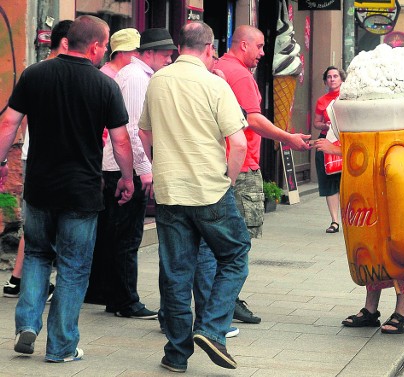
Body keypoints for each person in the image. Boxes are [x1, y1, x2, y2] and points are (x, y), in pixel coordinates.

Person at [0, 15, 134, 362]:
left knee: (36, 255)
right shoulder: (105, 85)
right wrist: (127, 178)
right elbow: (120, 142)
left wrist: (0, 163)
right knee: (73, 267)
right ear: (95, 46)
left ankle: (27, 324)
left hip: (40, 188)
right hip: (82, 191)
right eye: (105, 45)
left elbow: (9, 122)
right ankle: (60, 347)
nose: (105, 51)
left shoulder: (35, 74)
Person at [138, 21, 250, 372]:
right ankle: (212, 329)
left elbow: (142, 133)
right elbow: (240, 144)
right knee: (235, 254)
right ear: (207, 49)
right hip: (209, 190)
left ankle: (176, 354)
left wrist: (159, 166)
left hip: (170, 192)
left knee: (175, 273)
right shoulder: (214, 83)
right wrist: (228, 181)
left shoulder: (157, 80)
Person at [213, 24, 311, 324]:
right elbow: (253, 120)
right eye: (260, 46)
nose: (263, 53)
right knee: (239, 239)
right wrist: (289, 138)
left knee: (220, 240)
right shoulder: (240, 74)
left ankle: (220, 298)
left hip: (221, 162)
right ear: (243, 45)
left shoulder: (219, 67)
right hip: (240, 166)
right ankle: (227, 300)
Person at [87, 28, 177, 319]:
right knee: (127, 237)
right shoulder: (137, 78)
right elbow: (134, 131)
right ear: (146, 52)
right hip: (124, 167)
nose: (168, 59)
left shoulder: (130, 74)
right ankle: (126, 301)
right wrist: (144, 170)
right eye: (165, 54)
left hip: (114, 165)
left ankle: (107, 293)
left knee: (112, 235)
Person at [314, 138, 404, 335]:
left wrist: (337, 151)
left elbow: (376, 148)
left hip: (399, 177)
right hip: (370, 182)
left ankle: (401, 313)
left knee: (403, 243)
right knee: (374, 246)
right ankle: (371, 309)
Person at [2, 19, 73, 300]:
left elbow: (20, 119)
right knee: (44, 229)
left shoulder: (34, 72)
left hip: (35, 154)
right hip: (50, 158)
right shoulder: (57, 73)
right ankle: (25, 283)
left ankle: (18, 280)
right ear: (65, 43)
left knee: (36, 225)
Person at [313, 66, 344, 234]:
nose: (332, 79)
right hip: (327, 140)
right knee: (329, 182)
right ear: (325, 81)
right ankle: (334, 221)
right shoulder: (321, 101)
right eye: (329, 77)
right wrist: (325, 125)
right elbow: (316, 123)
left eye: (336, 76)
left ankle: (349, 218)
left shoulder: (347, 98)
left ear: (341, 79)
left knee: (347, 182)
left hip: (344, 141)